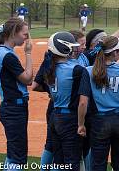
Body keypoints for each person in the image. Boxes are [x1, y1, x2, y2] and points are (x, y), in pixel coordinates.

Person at [78, 34, 119, 171]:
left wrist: (81, 124)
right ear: (115, 53)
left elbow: (83, 103)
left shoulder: (89, 71)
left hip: (99, 121)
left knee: (98, 163)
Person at [0, 17, 33, 170]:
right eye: (25, 34)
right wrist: (28, 53)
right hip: (14, 110)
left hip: (11, 108)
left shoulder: (3, 51)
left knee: (13, 153)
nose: (27, 38)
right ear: (14, 33)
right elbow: (28, 79)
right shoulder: (7, 55)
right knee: (18, 158)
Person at [45, 31, 85, 170]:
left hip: (55, 116)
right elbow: (83, 101)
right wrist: (81, 124)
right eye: (72, 46)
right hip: (70, 118)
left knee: (58, 160)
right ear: (64, 48)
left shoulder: (49, 67)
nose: (75, 48)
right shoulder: (76, 69)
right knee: (71, 161)